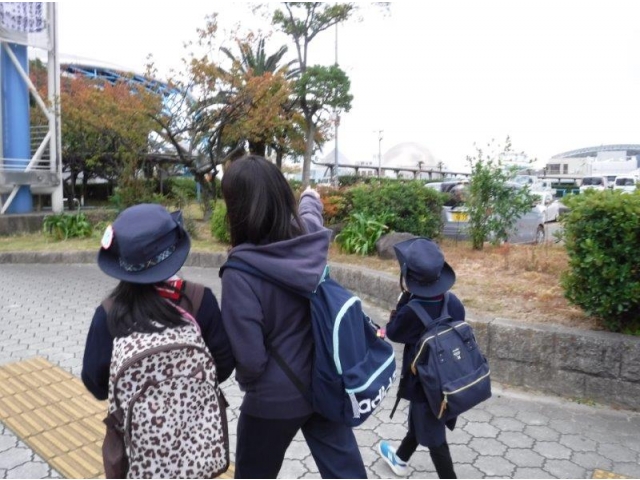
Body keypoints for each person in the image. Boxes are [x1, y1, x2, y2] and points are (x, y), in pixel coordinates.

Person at [219, 155, 367, 479]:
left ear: (236, 209)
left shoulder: (239, 273)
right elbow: (311, 215)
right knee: (347, 473)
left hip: (273, 401)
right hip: (326, 382)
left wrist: (251, 384)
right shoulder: (308, 241)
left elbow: (251, 361)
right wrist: (311, 197)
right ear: (281, 195)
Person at [81, 202, 235, 402]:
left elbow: (96, 384)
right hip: (199, 423)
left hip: (136, 429)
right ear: (173, 253)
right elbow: (223, 364)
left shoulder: (108, 314)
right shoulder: (200, 300)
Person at [378, 237, 463, 479]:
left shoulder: (411, 312)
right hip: (447, 377)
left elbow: (393, 332)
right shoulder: (452, 302)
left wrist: (404, 299)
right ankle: (401, 459)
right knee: (419, 421)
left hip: (425, 385)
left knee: (435, 439)